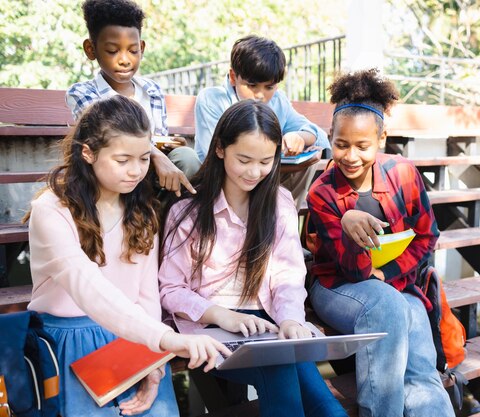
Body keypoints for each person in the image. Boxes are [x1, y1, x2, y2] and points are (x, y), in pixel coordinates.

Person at [26, 95, 230, 417]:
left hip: (136, 338)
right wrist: (163, 339)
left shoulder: (142, 211)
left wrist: (153, 362)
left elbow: (147, 295)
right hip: (71, 343)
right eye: (123, 160)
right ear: (88, 152)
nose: (136, 171)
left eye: (144, 158)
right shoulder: (51, 210)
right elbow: (87, 286)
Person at [159, 99, 346, 417]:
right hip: (211, 330)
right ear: (220, 149)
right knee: (282, 369)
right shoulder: (188, 212)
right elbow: (170, 290)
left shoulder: (279, 202)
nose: (255, 172)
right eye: (244, 160)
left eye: (265, 161)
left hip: (267, 324)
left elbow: (288, 275)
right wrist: (223, 316)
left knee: (328, 409)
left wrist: (289, 320)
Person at [306, 69, 455, 417]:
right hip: (338, 286)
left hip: (397, 283)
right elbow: (354, 271)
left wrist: (389, 275)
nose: (351, 156)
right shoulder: (322, 193)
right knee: (388, 305)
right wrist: (347, 224)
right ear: (331, 136)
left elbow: (426, 235)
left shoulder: (403, 173)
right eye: (341, 144)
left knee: (420, 367)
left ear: (382, 139)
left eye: (362, 146)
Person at [66, 0, 200, 196]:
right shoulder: (82, 93)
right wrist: (154, 152)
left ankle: (171, 221)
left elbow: (158, 143)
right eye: (112, 51)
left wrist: (169, 145)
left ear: (142, 48)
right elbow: (111, 137)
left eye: (133, 50)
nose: (124, 59)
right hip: (111, 175)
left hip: (149, 174)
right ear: (91, 49)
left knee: (185, 157)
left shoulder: (151, 90)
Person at [194, 35, 330, 208]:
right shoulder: (212, 99)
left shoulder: (278, 100)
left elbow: (319, 136)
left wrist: (299, 137)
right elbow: (212, 157)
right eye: (252, 85)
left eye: (269, 87)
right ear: (233, 77)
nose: (260, 95)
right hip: (222, 182)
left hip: (264, 180)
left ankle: (282, 222)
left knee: (307, 162)